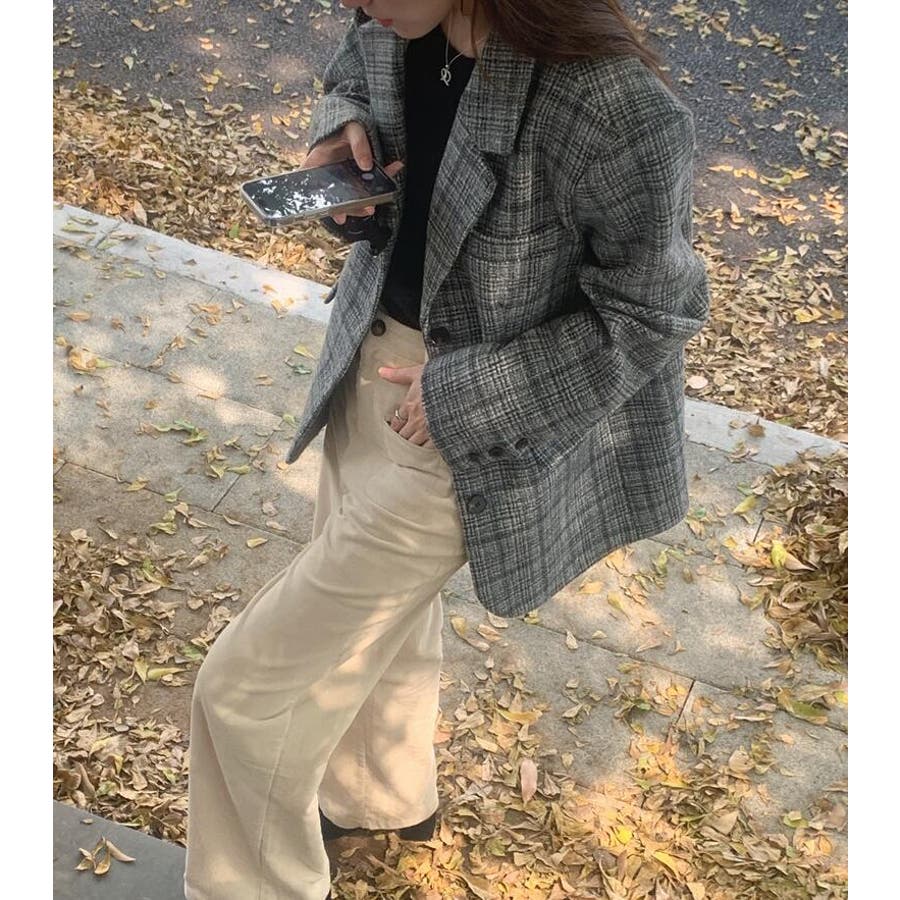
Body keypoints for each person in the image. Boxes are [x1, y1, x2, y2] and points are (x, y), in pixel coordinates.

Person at [183, 0, 710, 897]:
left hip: (473, 427)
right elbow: (353, 76)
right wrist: (339, 141)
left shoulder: (611, 103)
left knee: (243, 693)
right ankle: (382, 797)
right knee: (377, 626)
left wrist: (468, 393)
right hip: (368, 363)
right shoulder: (397, 17)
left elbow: (656, 309)